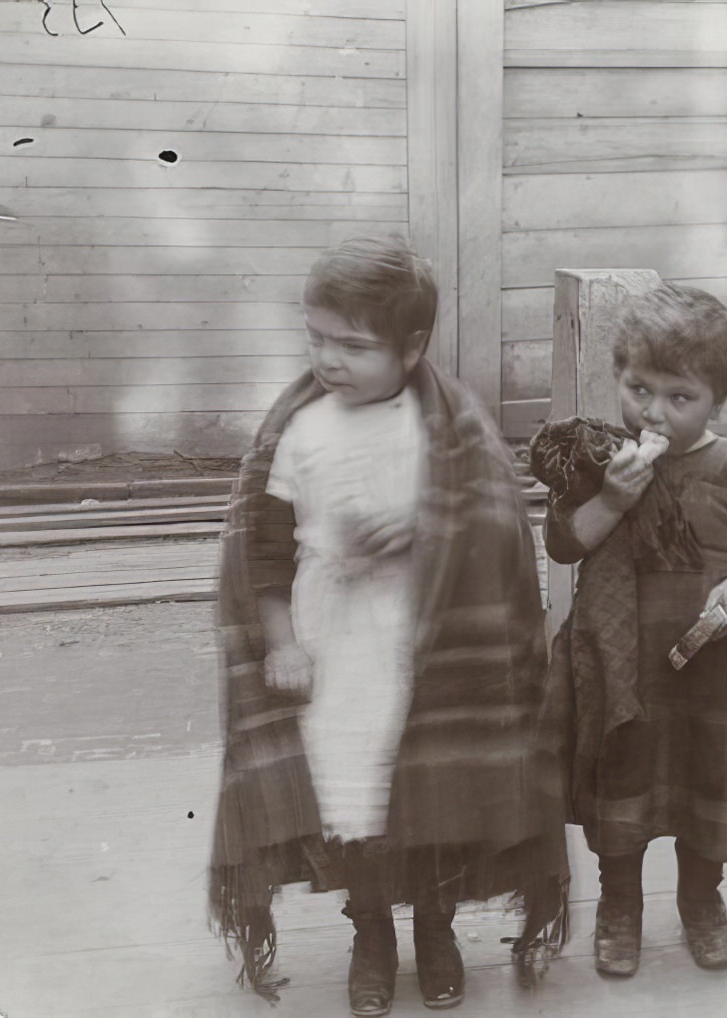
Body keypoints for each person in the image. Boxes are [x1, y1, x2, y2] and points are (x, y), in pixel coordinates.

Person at [207, 236, 568, 1017]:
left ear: (411, 348)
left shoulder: (449, 432)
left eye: (353, 345)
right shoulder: (298, 433)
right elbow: (264, 554)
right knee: (353, 801)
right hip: (334, 649)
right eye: (316, 339)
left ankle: (434, 929)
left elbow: (492, 528)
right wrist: (281, 641)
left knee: (429, 794)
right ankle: (371, 931)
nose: (328, 360)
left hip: (428, 649)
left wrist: (418, 535)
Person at [530, 283, 727, 978]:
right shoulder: (598, 459)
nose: (654, 412)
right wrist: (614, 496)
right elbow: (564, 544)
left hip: (713, 666)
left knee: (703, 784)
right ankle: (620, 906)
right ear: (617, 375)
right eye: (639, 389)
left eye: (680, 397)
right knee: (622, 786)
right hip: (622, 667)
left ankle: (701, 900)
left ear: (717, 398)